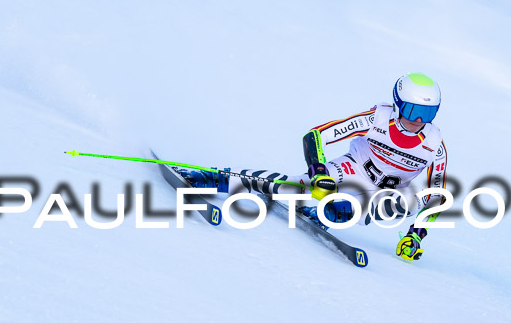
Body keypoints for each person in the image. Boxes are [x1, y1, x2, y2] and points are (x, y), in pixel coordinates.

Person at [181, 73, 448, 261]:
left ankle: (325, 214)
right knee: (289, 187)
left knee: (390, 205)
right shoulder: (377, 118)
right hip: (354, 168)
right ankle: (214, 179)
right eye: (413, 111)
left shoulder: (434, 145)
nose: (418, 121)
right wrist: (318, 171)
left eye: (427, 114)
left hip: (388, 192)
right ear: (398, 103)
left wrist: (416, 236)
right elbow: (316, 135)